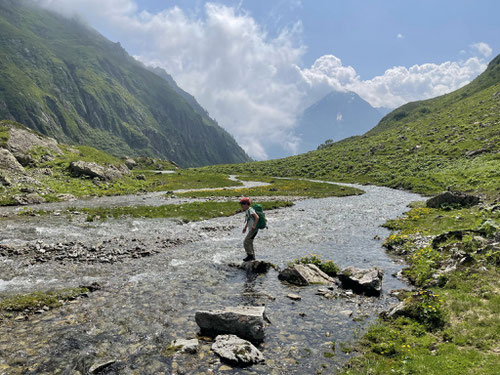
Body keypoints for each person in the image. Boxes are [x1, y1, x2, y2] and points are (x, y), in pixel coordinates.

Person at [240, 197, 259, 261]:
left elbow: (257, 217)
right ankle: (253, 257)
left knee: (246, 242)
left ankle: (250, 255)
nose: (241, 206)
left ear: (246, 204)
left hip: (254, 229)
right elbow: (248, 220)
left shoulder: (250, 210)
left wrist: (254, 225)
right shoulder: (247, 211)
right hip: (251, 229)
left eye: (242, 204)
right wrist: (245, 227)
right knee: (250, 242)